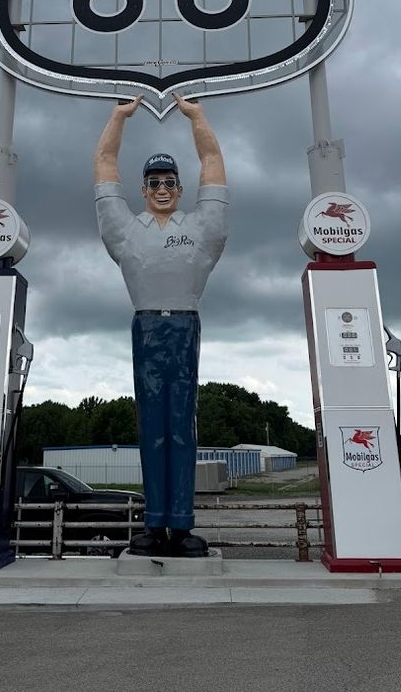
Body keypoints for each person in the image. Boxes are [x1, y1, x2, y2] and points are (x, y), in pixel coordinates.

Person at [93, 92, 228, 557]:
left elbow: (211, 160)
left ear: (181, 188)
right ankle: (154, 524)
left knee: (181, 428)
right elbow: (105, 162)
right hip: (147, 329)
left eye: (170, 181)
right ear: (143, 189)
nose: (163, 188)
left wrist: (198, 117)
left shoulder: (201, 228)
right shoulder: (126, 231)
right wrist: (118, 117)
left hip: (185, 326)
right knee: (152, 428)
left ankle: (182, 524)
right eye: (153, 182)